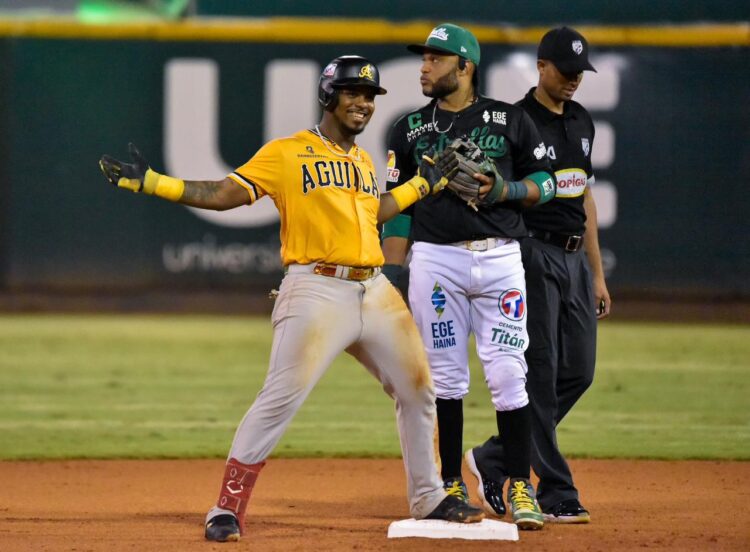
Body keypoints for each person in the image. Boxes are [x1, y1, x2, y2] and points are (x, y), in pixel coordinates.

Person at [99, 55, 484, 543]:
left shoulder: (362, 161)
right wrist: (156, 183)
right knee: (279, 399)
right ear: (328, 96)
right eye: (353, 93)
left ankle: (428, 496)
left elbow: (374, 213)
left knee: (419, 389)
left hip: (374, 289)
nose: (363, 103)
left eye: (370, 96)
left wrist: (422, 184)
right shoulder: (288, 152)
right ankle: (226, 508)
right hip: (315, 289)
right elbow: (225, 193)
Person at [382, 24, 556, 531]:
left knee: (508, 374)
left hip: (501, 257)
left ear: (465, 67)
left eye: (435, 59)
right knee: (445, 377)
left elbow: (546, 183)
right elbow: (397, 212)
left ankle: (519, 483)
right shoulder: (408, 129)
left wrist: (505, 191)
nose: (424, 67)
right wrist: (392, 272)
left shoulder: (510, 119)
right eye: (423, 58)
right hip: (436, 260)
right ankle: (451, 483)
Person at [464, 27, 612, 525]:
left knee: (579, 372)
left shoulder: (581, 120)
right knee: (541, 376)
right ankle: (556, 490)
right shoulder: (514, 121)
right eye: (565, 71)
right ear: (541, 66)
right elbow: (495, 193)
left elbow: (585, 197)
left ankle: (493, 455)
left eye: (579, 72)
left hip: (573, 259)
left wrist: (596, 274)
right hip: (531, 253)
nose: (574, 79)